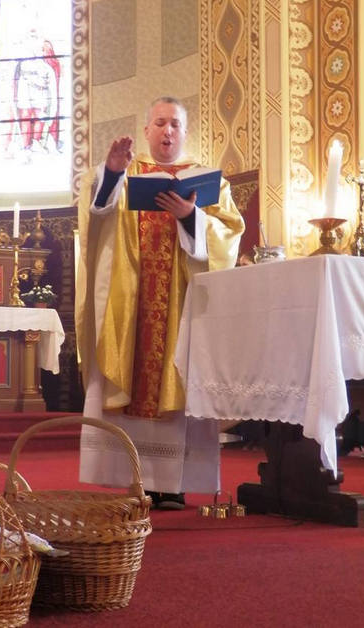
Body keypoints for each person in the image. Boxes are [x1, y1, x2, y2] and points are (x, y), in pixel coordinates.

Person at [76, 96, 245, 510]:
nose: (167, 131)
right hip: (130, 304)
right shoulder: (125, 172)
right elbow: (95, 220)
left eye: (175, 124)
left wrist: (191, 216)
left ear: (185, 132)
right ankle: (134, 479)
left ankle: (173, 484)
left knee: (177, 375)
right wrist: (111, 173)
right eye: (160, 123)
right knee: (132, 373)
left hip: (182, 304)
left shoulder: (207, 181)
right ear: (147, 130)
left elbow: (230, 232)